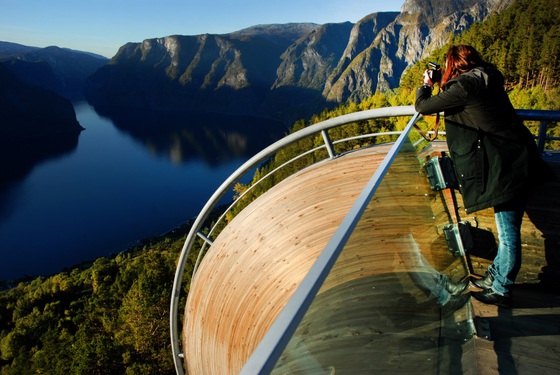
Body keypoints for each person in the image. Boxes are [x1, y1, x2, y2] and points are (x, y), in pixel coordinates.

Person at [415, 44, 554, 308]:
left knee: (508, 233)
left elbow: (424, 107)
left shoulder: (465, 87)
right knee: (507, 228)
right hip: (517, 156)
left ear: (453, 65)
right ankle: (495, 278)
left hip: (505, 166)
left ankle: (501, 289)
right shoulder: (486, 77)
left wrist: (426, 84)